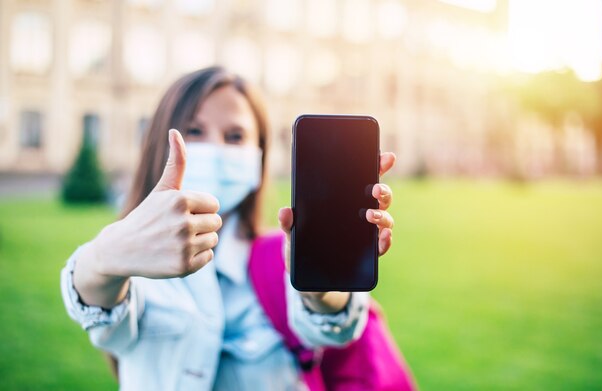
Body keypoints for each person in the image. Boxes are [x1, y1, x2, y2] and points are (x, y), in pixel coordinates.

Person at [60, 66, 397, 390]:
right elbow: (97, 306)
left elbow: (333, 327)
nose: (216, 147)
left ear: (258, 156)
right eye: (194, 131)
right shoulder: (134, 259)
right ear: (160, 143)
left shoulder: (278, 256)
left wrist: (318, 283)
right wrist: (108, 256)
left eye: (235, 136)